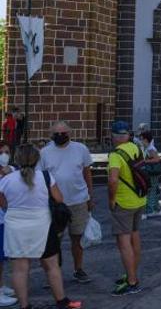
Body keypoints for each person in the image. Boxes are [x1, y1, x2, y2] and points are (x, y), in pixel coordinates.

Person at [0, 145, 82, 309]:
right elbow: (59, 198)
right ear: (37, 160)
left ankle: (24, 305)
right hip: (43, 225)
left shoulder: (6, 180)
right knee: (51, 265)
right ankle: (61, 301)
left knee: (19, 269)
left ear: (16, 159)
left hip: (16, 227)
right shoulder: (46, 177)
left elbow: (3, 205)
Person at [38, 121, 94, 284]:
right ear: (51, 134)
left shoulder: (81, 149)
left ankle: (78, 269)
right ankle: (54, 274)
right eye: (57, 133)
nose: (60, 136)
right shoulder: (45, 153)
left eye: (64, 133)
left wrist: (90, 196)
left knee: (77, 238)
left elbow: (87, 173)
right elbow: (41, 178)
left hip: (79, 200)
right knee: (55, 240)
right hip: (55, 203)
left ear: (70, 133)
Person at [107, 121, 147, 296]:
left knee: (124, 244)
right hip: (139, 199)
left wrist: (111, 199)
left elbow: (113, 180)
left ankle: (131, 282)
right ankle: (132, 274)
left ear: (114, 136)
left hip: (123, 202)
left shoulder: (115, 155)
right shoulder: (134, 147)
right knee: (135, 237)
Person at [0, 144, 18, 307]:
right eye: (1, 153)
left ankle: (1, 285)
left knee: (2, 257)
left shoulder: (11, 170)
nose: (4, 155)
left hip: (5, 219)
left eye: (7, 152)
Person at [141, 131, 161, 218]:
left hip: (152, 172)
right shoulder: (149, 148)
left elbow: (157, 159)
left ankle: (150, 210)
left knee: (151, 191)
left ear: (146, 139)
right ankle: (157, 209)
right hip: (153, 172)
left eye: (141, 139)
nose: (140, 140)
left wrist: (145, 161)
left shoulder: (150, 149)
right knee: (154, 190)